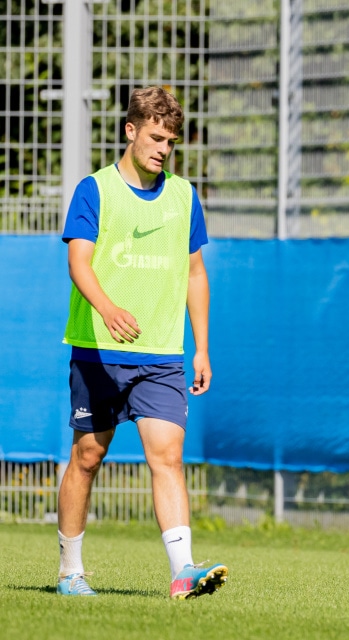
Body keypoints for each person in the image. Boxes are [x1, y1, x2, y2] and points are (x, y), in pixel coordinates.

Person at [57, 86, 227, 599]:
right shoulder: (95, 190)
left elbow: (195, 274)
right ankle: (70, 571)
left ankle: (182, 573)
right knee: (88, 456)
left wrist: (201, 347)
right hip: (98, 352)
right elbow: (79, 262)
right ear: (130, 131)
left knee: (168, 455)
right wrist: (107, 310)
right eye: (155, 137)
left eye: (171, 141)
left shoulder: (183, 195)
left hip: (160, 355)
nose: (163, 148)